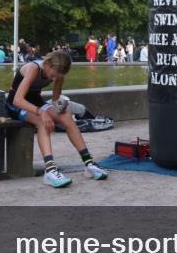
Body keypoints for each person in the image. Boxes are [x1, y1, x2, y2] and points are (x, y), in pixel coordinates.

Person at [6, 50, 109, 187]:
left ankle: (89, 163)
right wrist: (42, 113)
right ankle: (50, 171)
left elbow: (55, 99)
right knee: (42, 122)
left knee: (66, 117)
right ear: (47, 64)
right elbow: (18, 100)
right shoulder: (33, 69)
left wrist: (60, 110)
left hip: (36, 102)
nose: (54, 79)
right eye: (53, 75)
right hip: (16, 105)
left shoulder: (58, 72)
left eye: (58, 77)